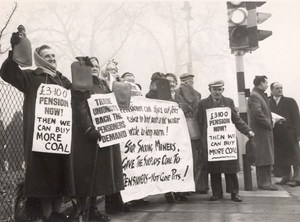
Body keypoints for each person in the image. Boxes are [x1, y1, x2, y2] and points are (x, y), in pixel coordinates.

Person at [0, 39, 74, 221]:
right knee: (44, 179)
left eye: (53, 56)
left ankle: (57, 213)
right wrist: (16, 50)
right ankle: (47, 215)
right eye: (47, 56)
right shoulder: (32, 77)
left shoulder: (63, 80)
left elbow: (80, 96)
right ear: (39, 59)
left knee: (59, 176)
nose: (52, 58)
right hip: (40, 139)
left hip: (60, 139)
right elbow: (8, 73)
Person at [71, 57, 126, 221]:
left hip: (103, 135)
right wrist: (88, 128)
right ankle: (83, 210)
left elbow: (112, 106)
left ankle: (92, 209)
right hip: (86, 136)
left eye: (96, 65)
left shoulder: (103, 85)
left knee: (97, 175)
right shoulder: (81, 83)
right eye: (90, 65)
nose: (94, 68)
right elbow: (79, 108)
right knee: (86, 174)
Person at [197, 80, 254, 202]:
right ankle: (217, 193)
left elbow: (236, 119)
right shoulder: (203, 104)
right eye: (214, 89)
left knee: (230, 167)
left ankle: (234, 193)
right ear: (210, 90)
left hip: (227, 141)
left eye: (219, 89)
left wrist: (248, 130)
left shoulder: (229, 102)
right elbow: (200, 122)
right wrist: (204, 139)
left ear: (223, 90)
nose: (217, 92)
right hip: (212, 141)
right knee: (214, 168)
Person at [176, 73, 209, 194]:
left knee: (195, 158)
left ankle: (194, 185)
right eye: (187, 80)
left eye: (191, 80)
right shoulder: (192, 94)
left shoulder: (185, 93)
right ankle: (198, 185)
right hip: (193, 129)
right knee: (196, 158)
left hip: (191, 129)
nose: (190, 82)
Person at [248, 75, 277, 190]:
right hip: (261, 133)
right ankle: (264, 183)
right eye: (265, 83)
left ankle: (266, 182)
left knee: (265, 157)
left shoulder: (258, 95)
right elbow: (257, 113)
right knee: (263, 158)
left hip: (263, 132)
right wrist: (269, 124)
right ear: (260, 83)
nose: (267, 85)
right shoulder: (255, 96)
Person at [269, 82, 300, 187]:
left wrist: (298, 134)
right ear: (272, 90)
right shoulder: (268, 101)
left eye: (281, 88)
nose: (280, 90)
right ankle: (286, 177)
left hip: (290, 133)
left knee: (295, 156)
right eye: (277, 88)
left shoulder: (290, 101)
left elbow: (296, 118)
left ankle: (297, 178)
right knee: (282, 157)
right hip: (277, 134)